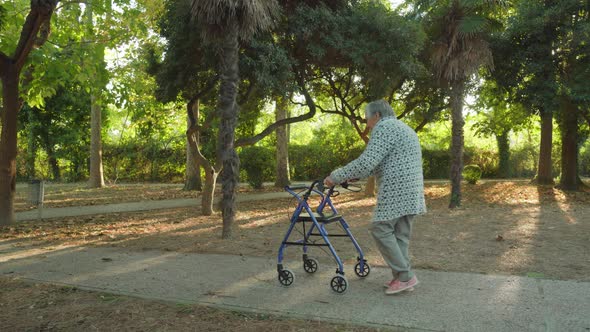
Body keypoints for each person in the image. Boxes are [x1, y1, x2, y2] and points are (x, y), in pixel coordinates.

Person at [324, 99, 426, 295]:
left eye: (367, 119)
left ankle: (405, 275)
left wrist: (335, 176)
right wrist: (355, 175)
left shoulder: (384, 127)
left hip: (396, 189)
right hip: (412, 190)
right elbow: (380, 162)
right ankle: (401, 278)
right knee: (400, 235)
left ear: (377, 116)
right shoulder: (404, 128)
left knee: (380, 228)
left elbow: (367, 161)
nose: (367, 124)